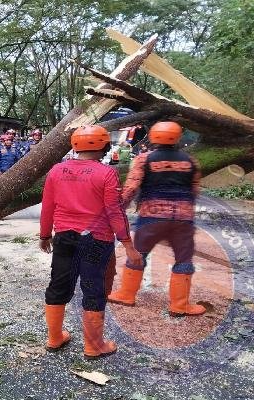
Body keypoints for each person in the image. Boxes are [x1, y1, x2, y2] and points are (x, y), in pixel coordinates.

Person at [39, 125, 142, 358]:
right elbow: (115, 211)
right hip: (97, 240)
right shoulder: (106, 173)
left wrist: (45, 235)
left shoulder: (57, 170)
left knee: (58, 286)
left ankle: (54, 338)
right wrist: (128, 244)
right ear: (104, 145)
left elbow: (48, 206)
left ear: (75, 145)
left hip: (64, 238)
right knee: (94, 289)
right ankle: (93, 346)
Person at [108, 121, 206, 317]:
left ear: (153, 137)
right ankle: (180, 305)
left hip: (150, 217)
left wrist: (119, 209)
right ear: (178, 138)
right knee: (183, 259)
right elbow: (195, 190)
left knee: (138, 254)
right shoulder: (191, 161)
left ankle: (127, 294)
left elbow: (131, 188)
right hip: (182, 219)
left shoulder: (144, 160)